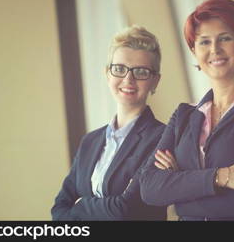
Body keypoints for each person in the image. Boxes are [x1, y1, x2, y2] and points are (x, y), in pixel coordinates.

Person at [139, 0, 234, 220]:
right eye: (204, 42)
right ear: (194, 52)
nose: (215, 49)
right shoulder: (184, 115)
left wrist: (179, 196)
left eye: (225, 38)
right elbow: (149, 187)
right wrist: (223, 177)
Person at [51, 25, 166, 220]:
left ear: (155, 81)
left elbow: (125, 210)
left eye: (141, 71)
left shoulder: (162, 138)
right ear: (107, 73)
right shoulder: (90, 141)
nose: (128, 79)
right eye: (119, 69)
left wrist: (80, 205)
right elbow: (59, 208)